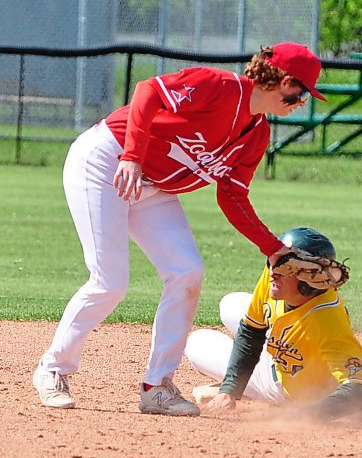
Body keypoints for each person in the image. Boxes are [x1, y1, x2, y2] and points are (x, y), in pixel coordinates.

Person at [32, 43, 327, 417]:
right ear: (284, 81)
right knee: (110, 280)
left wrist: (272, 248)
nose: (301, 102)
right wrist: (132, 156)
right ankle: (52, 369)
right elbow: (148, 91)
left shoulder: (256, 134)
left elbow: (232, 197)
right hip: (108, 159)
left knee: (187, 271)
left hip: (152, 186)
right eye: (301, 93)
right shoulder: (220, 86)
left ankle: (157, 387)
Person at [185, 227, 362, 420]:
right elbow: (251, 332)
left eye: (286, 266)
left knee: (196, 342)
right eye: (273, 261)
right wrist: (230, 390)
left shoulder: (328, 320)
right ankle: (237, 388)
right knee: (230, 303)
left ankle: (257, 393)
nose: (273, 271)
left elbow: (361, 388)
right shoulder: (274, 277)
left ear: (310, 278)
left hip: (286, 390)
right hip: (283, 352)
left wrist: (307, 413)